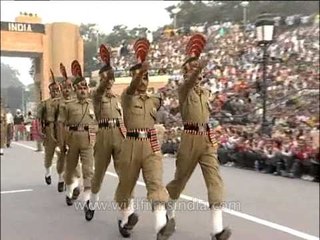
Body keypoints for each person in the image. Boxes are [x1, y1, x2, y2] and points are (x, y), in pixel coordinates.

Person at [165, 34, 231, 240]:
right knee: (180, 179)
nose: (197, 72)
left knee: (215, 181)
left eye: (198, 68)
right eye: (192, 68)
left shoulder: (205, 92)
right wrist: (198, 68)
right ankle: (168, 211)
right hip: (190, 138)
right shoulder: (184, 89)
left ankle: (217, 230)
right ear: (186, 71)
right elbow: (190, 81)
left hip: (206, 137)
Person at [114, 38, 175, 240]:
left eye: (146, 77)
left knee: (156, 184)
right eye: (140, 77)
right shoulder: (126, 96)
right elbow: (131, 88)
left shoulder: (153, 100)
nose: (143, 80)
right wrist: (139, 72)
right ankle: (125, 219)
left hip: (150, 143)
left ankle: (160, 228)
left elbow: (164, 97)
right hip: (130, 144)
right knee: (126, 186)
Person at [84, 44, 126, 221]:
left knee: (124, 174)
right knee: (99, 173)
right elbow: (100, 90)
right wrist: (104, 78)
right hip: (103, 134)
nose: (108, 81)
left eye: (110, 78)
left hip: (118, 133)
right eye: (105, 78)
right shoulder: (96, 94)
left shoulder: (118, 98)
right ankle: (92, 203)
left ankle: (126, 215)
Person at [57, 60, 98, 206]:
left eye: (85, 88)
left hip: (87, 140)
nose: (82, 90)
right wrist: (62, 143)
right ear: (75, 89)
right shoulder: (67, 105)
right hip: (72, 139)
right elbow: (61, 124)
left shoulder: (92, 105)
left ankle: (87, 198)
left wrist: (96, 138)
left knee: (88, 169)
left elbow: (96, 123)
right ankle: (71, 190)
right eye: (79, 88)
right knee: (71, 169)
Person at [56, 63, 81, 193]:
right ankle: (61, 178)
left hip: (74, 135)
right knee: (62, 161)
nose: (67, 90)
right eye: (64, 88)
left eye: (69, 87)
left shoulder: (77, 101)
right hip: (60, 133)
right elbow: (58, 122)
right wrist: (60, 140)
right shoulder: (58, 103)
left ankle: (72, 188)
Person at [37, 70, 62, 186]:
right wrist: (40, 131)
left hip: (61, 129)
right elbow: (39, 118)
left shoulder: (64, 102)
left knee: (62, 154)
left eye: (57, 89)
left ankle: (61, 179)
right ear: (50, 91)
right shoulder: (45, 103)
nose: (56, 92)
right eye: (54, 90)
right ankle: (47, 172)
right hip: (49, 129)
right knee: (49, 154)